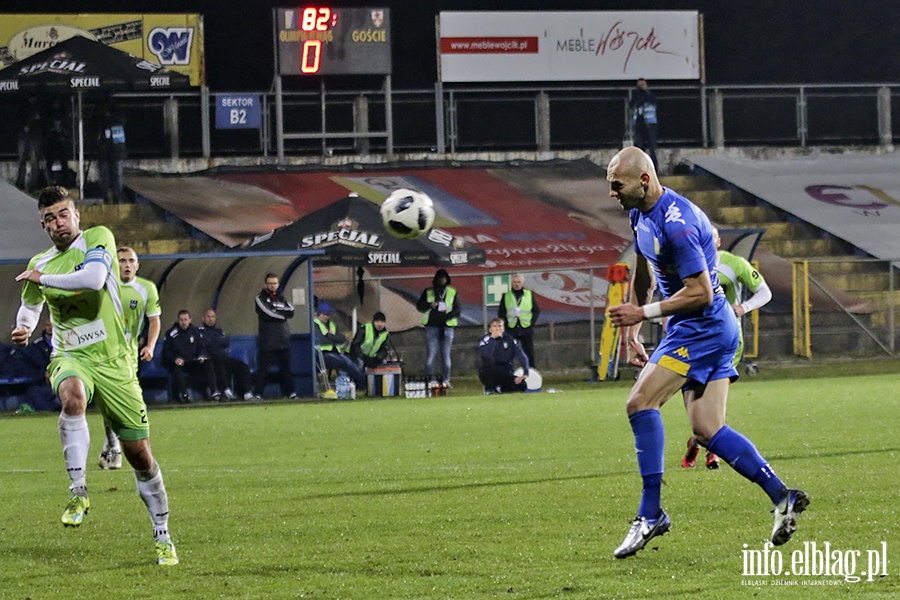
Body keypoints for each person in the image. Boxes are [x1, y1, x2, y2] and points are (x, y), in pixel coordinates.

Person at [605, 147, 807, 559]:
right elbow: (645, 267)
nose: (612, 192)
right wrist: (635, 331)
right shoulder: (638, 211)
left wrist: (641, 312)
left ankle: (650, 514)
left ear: (643, 180)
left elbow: (699, 291)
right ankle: (782, 495)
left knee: (640, 403)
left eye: (616, 184)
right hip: (710, 328)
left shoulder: (678, 223)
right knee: (707, 429)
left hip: (702, 326)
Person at [11, 185, 178, 566]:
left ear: (76, 215)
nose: (58, 223)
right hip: (71, 355)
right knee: (72, 395)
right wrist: (23, 328)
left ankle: (162, 534)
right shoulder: (41, 262)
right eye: (50, 218)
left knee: (140, 455)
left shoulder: (97, 239)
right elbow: (29, 308)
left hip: (115, 362)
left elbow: (92, 278)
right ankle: (78, 490)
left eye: (63, 214)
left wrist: (43, 278)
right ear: (43, 225)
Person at [682, 227, 773, 470]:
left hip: (727, 343)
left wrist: (744, 307)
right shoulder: (686, 265)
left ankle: (712, 450)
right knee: (696, 401)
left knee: (716, 401)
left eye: (710, 240)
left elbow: (765, 292)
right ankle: (698, 439)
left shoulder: (734, 264)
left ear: (719, 242)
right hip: (695, 342)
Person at [98, 247, 162, 470]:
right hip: (103, 352)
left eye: (130, 260)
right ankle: (114, 444)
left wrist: (151, 346)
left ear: (137, 265)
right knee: (107, 400)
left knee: (128, 402)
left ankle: (118, 443)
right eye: (121, 260)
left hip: (129, 354)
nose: (126, 264)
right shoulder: (103, 285)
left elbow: (154, 321)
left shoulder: (146, 288)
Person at [254, 272, 297, 399]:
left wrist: (277, 311)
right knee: (263, 369)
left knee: (286, 368)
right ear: (265, 284)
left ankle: (290, 393)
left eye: (275, 283)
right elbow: (268, 313)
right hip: (267, 340)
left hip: (283, 339)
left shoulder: (281, 298)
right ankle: (258, 394)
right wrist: (282, 314)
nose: (273, 286)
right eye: (270, 283)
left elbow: (291, 311)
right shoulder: (260, 298)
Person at [162, 309, 219, 403]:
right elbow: (166, 351)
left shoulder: (195, 331)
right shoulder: (171, 334)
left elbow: (201, 347)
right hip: (178, 362)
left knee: (208, 363)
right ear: (178, 321)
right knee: (177, 368)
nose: (184, 322)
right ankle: (184, 395)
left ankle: (214, 392)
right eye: (181, 320)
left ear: (190, 320)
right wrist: (175, 358)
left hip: (192, 361)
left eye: (185, 319)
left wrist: (201, 356)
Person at [416, 269, 460, 386]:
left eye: (444, 278)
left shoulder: (452, 292)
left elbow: (457, 310)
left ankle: (446, 380)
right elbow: (419, 306)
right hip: (432, 327)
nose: (442, 280)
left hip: (447, 327)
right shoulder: (428, 292)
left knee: (445, 355)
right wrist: (430, 305)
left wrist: (447, 316)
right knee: (432, 354)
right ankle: (431, 380)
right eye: (440, 278)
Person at [198, 308, 254, 401]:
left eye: (213, 317)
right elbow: (204, 343)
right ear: (203, 318)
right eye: (208, 317)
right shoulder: (199, 331)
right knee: (219, 364)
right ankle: (226, 390)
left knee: (242, 366)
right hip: (210, 361)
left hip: (223, 358)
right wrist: (216, 341)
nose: (210, 319)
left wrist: (212, 341)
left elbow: (226, 342)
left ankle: (247, 393)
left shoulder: (218, 331)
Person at [315, 303, 366, 390]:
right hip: (323, 355)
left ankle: (360, 384)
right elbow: (322, 340)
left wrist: (328, 336)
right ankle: (361, 385)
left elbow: (342, 338)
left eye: (328, 314)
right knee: (345, 363)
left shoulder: (332, 325)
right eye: (324, 314)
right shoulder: (315, 325)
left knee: (352, 362)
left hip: (336, 352)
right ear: (319, 314)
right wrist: (333, 338)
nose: (326, 317)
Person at [498, 273, 540, 368]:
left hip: (525, 327)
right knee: (510, 352)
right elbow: (501, 312)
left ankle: (531, 372)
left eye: (519, 282)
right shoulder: (506, 296)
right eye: (515, 282)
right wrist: (506, 324)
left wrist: (531, 323)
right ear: (511, 283)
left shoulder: (529, 294)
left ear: (522, 283)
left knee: (529, 351)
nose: (517, 284)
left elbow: (536, 310)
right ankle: (509, 372)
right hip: (512, 328)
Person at [478, 318, 529, 394]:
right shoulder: (485, 340)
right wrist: (493, 339)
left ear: (503, 328)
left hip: (506, 371)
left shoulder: (510, 340)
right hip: (490, 370)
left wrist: (525, 372)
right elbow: (486, 355)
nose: (497, 329)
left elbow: (522, 356)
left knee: (521, 385)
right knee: (488, 365)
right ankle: (490, 389)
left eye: (499, 326)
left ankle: (502, 389)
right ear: (490, 329)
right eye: (494, 326)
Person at [96, 97, 127, 204]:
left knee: (117, 176)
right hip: (104, 152)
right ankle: (105, 197)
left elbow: (122, 120)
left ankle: (118, 197)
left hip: (117, 152)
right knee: (105, 177)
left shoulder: (118, 116)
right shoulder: (100, 118)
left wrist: (109, 117)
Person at [16, 95, 49, 192]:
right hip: (23, 137)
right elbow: (17, 120)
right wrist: (24, 126)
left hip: (34, 138)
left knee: (34, 161)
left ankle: (32, 184)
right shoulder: (22, 107)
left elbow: (42, 122)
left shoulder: (39, 107)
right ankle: (20, 182)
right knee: (22, 160)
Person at [628, 78, 659, 172]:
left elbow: (653, 101)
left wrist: (645, 93)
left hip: (650, 123)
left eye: (643, 84)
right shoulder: (636, 96)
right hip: (638, 124)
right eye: (639, 85)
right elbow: (631, 105)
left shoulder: (651, 95)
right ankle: (641, 169)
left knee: (652, 147)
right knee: (639, 147)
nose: (641, 87)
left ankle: (654, 169)